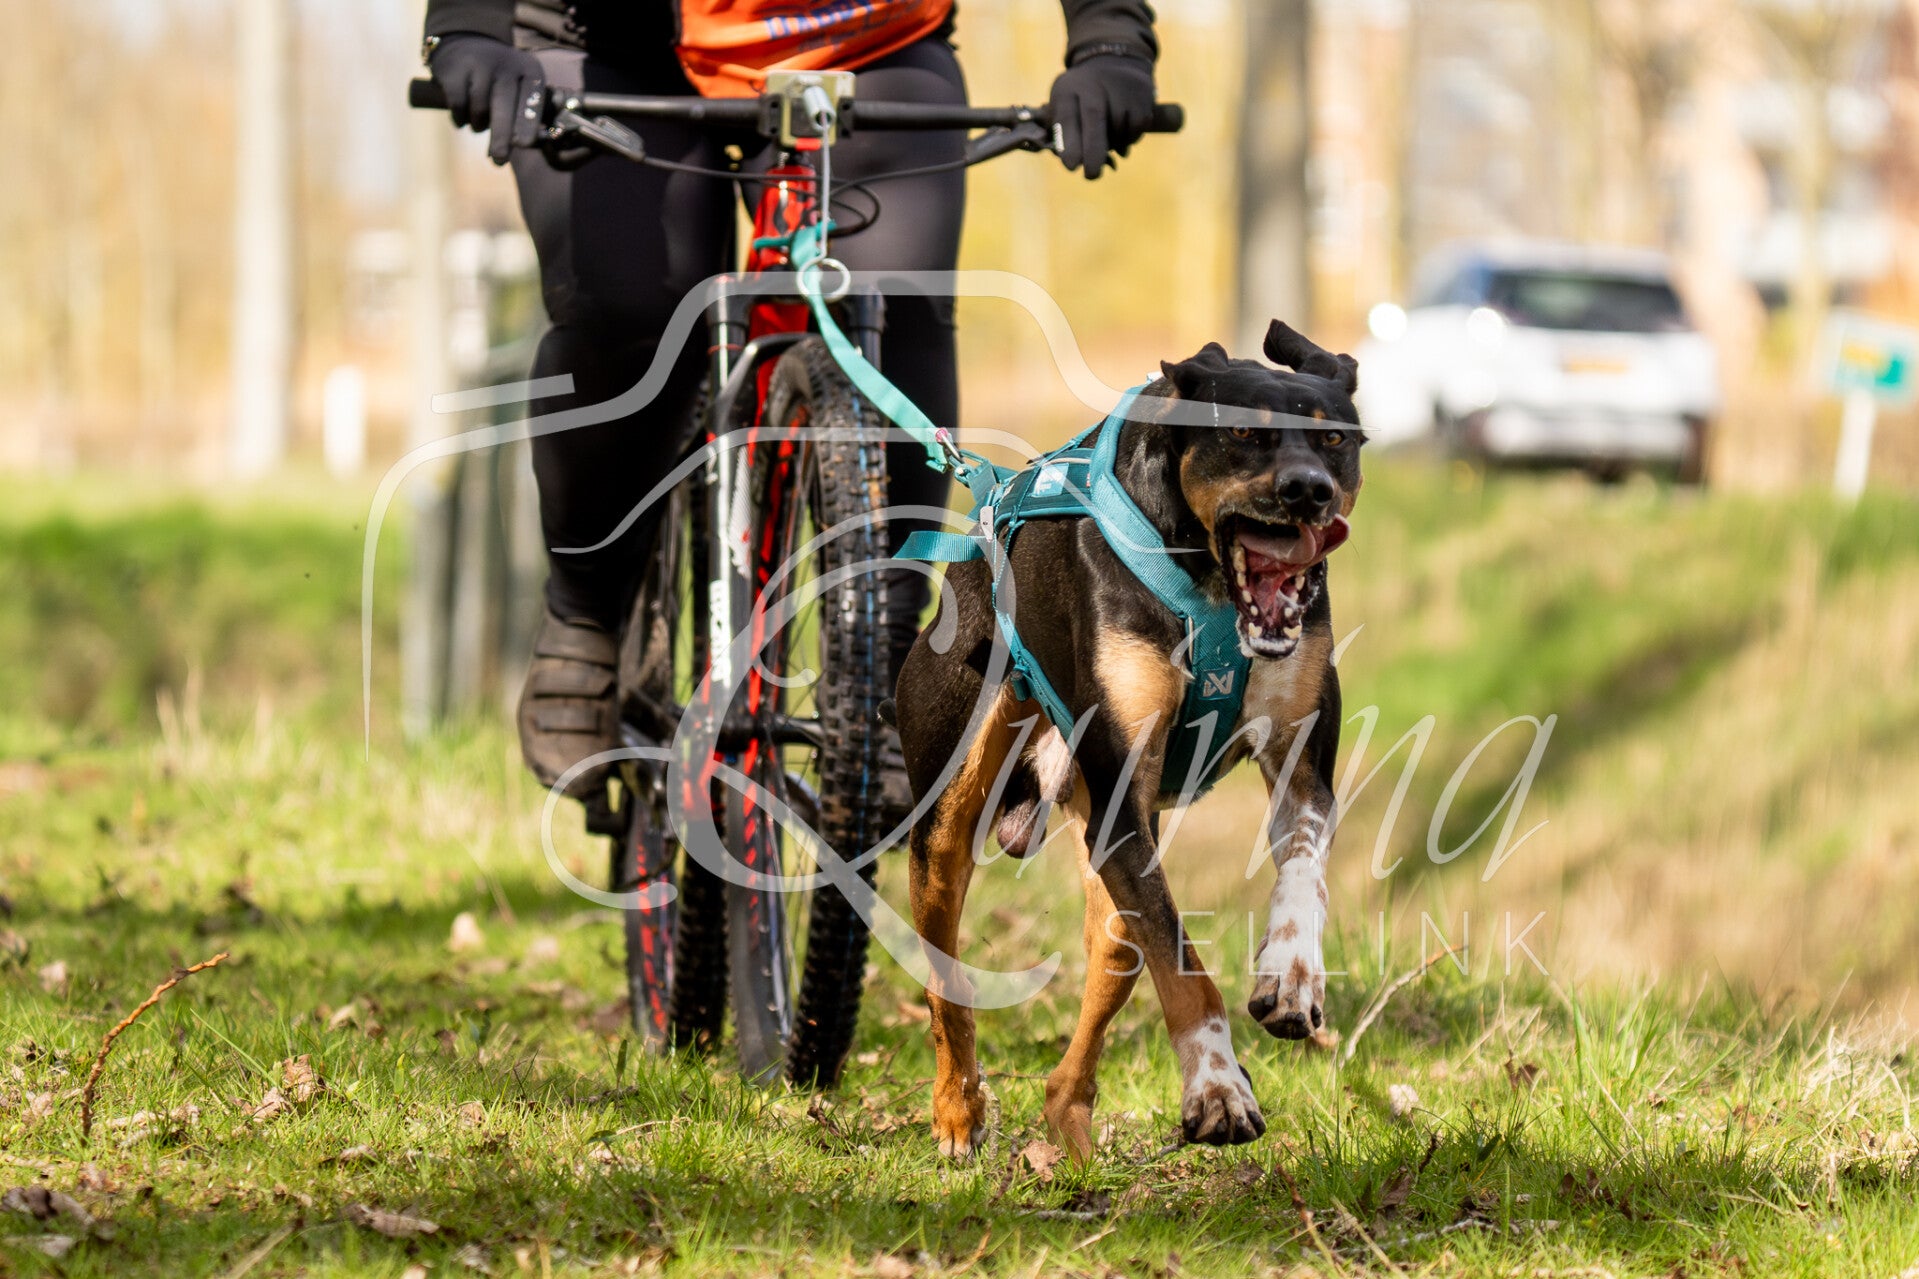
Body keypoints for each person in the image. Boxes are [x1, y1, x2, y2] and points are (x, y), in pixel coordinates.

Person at [420, 0, 1161, 801]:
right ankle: (586, 610)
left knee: (893, 308)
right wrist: (467, 24)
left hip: (862, 38)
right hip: (612, 40)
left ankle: (885, 661)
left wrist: (1108, 38)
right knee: (632, 311)